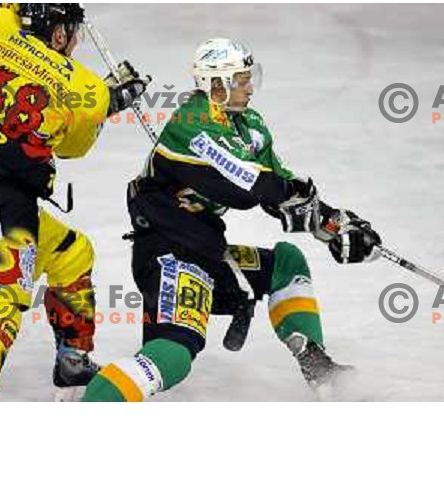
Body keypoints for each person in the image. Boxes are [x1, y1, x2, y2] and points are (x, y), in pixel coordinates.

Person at [82, 37, 381, 402]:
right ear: (216, 84)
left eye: (248, 77)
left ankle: (317, 366)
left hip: (207, 251)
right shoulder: (190, 123)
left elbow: (281, 187)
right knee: (174, 355)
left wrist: (335, 226)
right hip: (169, 255)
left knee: (286, 263)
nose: (249, 87)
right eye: (241, 79)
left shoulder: (249, 124)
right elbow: (245, 187)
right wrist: (289, 194)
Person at [0, 3, 148, 401]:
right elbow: (73, 148)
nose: (74, 41)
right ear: (58, 34)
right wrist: (111, 101)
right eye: (71, 32)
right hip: (4, 207)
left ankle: (73, 361)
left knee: (72, 253)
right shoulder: (86, 89)